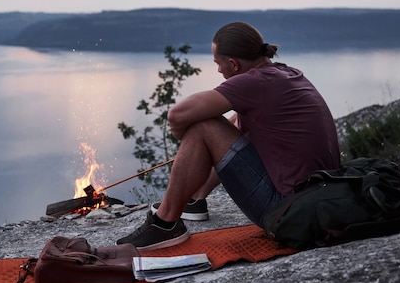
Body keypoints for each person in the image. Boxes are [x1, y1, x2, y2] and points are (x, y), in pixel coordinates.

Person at [116, 21, 341, 250]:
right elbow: (235, 131)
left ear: (233, 63)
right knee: (233, 121)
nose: (218, 70)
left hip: (288, 212)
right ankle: (195, 200)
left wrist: (189, 140)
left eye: (218, 63)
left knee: (203, 124)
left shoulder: (255, 82)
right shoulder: (284, 72)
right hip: (315, 201)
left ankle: (164, 223)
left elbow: (177, 116)